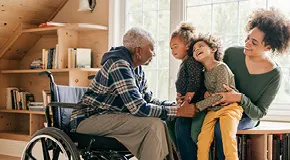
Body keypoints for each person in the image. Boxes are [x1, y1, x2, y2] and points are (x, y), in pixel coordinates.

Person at [180, 7, 290, 159]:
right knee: (182, 122)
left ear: (267, 47)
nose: (247, 43)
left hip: (245, 116)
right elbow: (209, 77)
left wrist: (239, 98)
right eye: (248, 38)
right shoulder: (232, 54)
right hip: (216, 105)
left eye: (254, 42)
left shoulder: (274, 74)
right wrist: (201, 93)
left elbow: (259, 112)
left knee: (221, 128)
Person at [70, 27, 197, 160]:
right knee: (153, 125)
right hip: (89, 120)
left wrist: (176, 106)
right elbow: (138, 108)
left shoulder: (137, 69)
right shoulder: (119, 64)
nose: (153, 54)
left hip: (111, 117)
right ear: (138, 51)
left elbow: (148, 100)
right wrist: (178, 112)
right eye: (151, 49)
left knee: (159, 123)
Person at [190, 33, 244, 160]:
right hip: (212, 110)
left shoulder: (221, 67)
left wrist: (196, 107)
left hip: (229, 108)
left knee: (228, 138)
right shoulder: (203, 72)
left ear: (213, 49)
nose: (196, 49)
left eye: (200, 46)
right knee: (202, 141)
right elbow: (205, 91)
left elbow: (220, 96)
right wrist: (204, 94)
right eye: (194, 49)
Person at [168, 22, 207, 160]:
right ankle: (180, 154)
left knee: (181, 129)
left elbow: (195, 81)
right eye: (171, 48)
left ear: (187, 45)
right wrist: (180, 95)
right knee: (174, 124)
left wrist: (187, 98)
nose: (173, 51)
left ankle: (187, 156)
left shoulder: (191, 61)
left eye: (175, 46)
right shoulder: (185, 62)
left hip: (193, 102)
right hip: (186, 101)